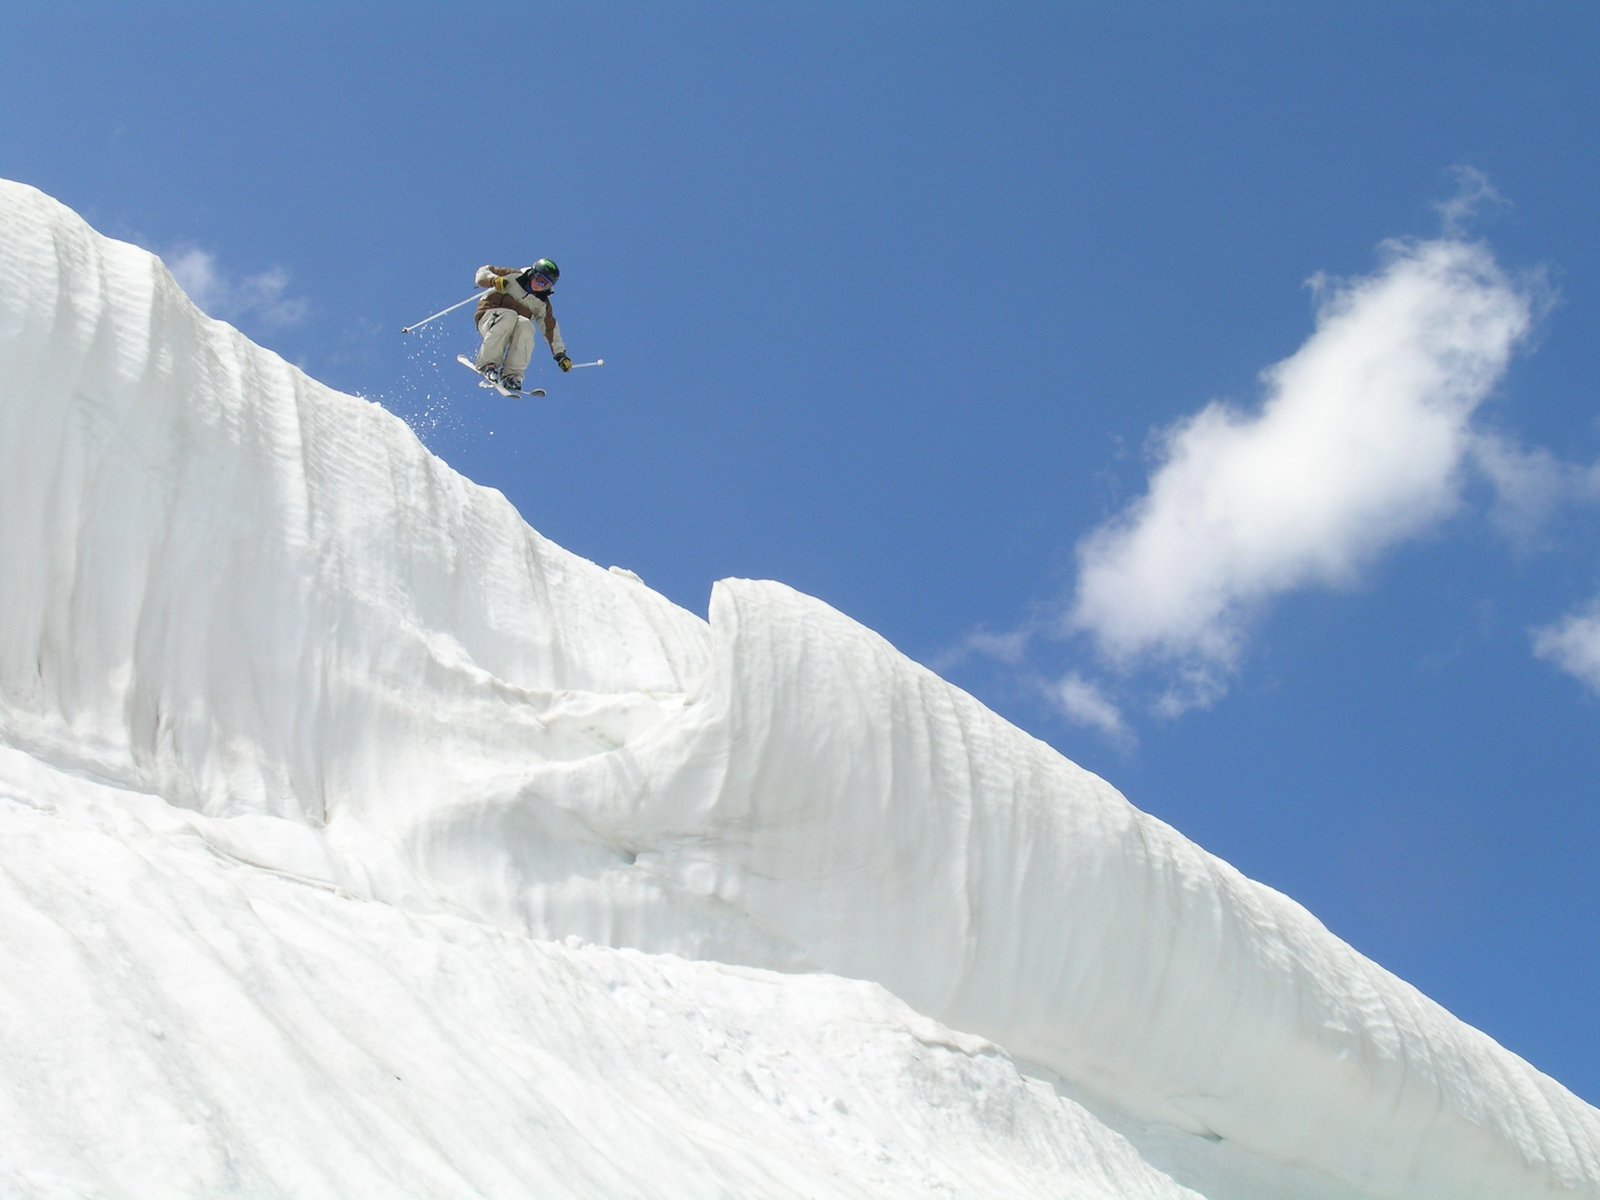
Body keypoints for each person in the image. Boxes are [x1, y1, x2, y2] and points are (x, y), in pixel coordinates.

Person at [472, 258, 573, 391]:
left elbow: (551, 330)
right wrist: (494, 280)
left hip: (511, 330)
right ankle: (488, 364)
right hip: (489, 318)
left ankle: (512, 375)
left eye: (545, 284)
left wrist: (560, 355)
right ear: (532, 273)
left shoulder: (541, 303)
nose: (539, 285)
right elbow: (482, 272)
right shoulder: (513, 276)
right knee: (510, 316)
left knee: (526, 325)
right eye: (539, 279)